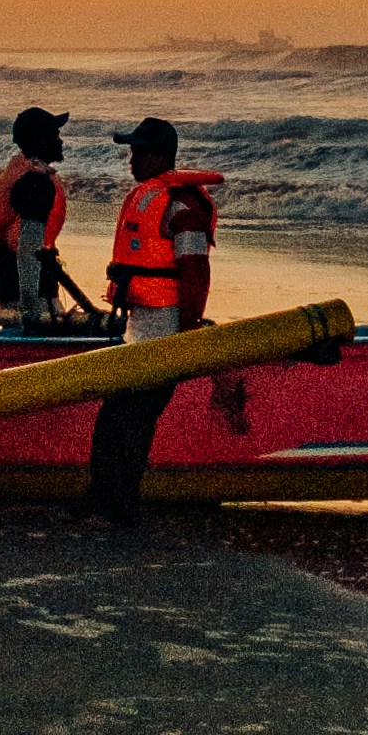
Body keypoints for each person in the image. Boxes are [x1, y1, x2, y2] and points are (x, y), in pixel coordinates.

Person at [80, 115, 221, 528]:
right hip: (139, 326)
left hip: (165, 326)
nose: (131, 160)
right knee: (115, 417)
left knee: (132, 419)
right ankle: (102, 500)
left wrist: (188, 332)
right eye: (131, 152)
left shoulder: (183, 208)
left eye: (139, 152)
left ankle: (120, 507)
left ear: (160, 156)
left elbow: (195, 271)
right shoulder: (151, 198)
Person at [0, 105, 101, 327]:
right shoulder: (37, 183)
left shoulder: (10, 177)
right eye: (55, 135)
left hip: (7, 288)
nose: (60, 141)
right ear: (40, 141)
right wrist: (30, 307)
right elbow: (28, 249)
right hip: (32, 295)